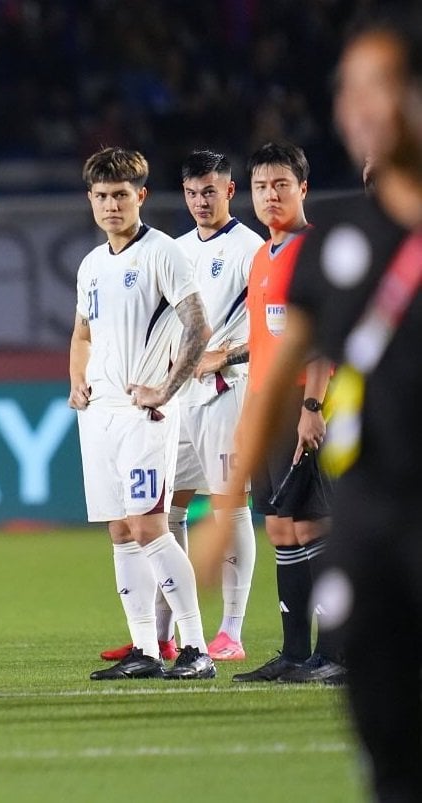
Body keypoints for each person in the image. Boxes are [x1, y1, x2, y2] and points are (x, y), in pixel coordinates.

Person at [207, 16, 422, 799]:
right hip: (374, 514)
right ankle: (305, 650)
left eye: (380, 85)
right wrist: (224, 498)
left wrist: (313, 404)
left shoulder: (321, 239)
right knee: (384, 729)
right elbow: (290, 350)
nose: (359, 105)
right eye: (347, 88)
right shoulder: (332, 247)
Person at [100, 151, 263, 665]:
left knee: (228, 505)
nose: (200, 202)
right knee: (165, 513)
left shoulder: (250, 249)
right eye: (192, 193)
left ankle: (230, 630)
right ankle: (161, 634)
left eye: (210, 191)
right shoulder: (174, 249)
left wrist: (226, 355)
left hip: (226, 392)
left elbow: (275, 329)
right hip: (175, 398)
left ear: (230, 191)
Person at [67, 147, 215, 682]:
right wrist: (76, 379)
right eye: (102, 196)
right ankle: (144, 649)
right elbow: (83, 332)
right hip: (100, 414)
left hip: (142, 414)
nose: (111, 206)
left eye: (121, 196)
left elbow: (199, 327)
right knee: (120, 531)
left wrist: (167, 390)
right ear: (90, 199)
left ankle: (196, 648)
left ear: (141, 197)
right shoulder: (90, 264)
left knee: (150, 525)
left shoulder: (162, 254)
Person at [228, 142, 342, 685]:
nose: (270, 195)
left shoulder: (313, 250)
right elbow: (264, 340)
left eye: (281, 185)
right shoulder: (263, 252)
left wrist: (313, 407)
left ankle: (338, 655)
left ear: (303, 188)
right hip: (266, 404)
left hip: (305, 401)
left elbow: (323, 338)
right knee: (280, 527)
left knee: (315, 524)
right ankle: (296, 655)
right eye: (260, 186)